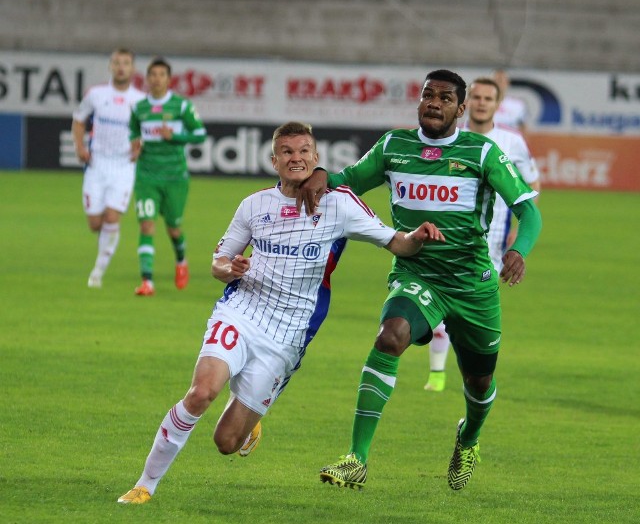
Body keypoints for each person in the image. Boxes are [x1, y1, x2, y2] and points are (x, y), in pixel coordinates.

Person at [117, 122, 445, 504]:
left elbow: (395, 243)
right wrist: (230, 268)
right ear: (274, 161)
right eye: (287, 152)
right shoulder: (254, 205)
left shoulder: (340, 205)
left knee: (226, 442)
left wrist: (416, 238)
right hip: (241, 311)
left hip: (288, 332)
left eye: (304, 151)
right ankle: (145, 484)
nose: (296, 158)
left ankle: (249, 423)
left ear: (316, 158)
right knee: (201, 392)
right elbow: (218, 262)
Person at [296, 70, 542, 491]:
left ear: (460, 109)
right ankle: (356, 458)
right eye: (428, 94)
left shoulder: (481, 153)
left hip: (471, 283)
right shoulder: (395, 145)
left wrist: (519, 251)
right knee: (390, 336)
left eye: (445, 97)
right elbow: (350, 180)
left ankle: (468, 439)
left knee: (478, 383)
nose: (434, 102)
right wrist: (322, 174)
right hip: (416, 273)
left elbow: (529, 211)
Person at [424, 77, 541, 392]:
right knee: (441, 303)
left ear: (497, 104)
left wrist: (521, 229)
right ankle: (437, 373)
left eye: (488, 98)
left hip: (494, 242)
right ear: (466, 102)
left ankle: (472, 378)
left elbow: (531, 184)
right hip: (452, 238)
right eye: (476, 97)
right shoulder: (452, 139)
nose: (481, 103)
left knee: (469, 318)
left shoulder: (512, 141)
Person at [129, 57, 206, 296]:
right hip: (147, 175)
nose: (156, 79)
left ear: (168, 79)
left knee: (173, 228)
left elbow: (200, 134)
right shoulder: (138, 108)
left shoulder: (181, 106)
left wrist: (175, 137)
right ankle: (147, 281)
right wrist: (134, 142)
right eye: (152, 74)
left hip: (175, 177)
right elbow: (133, 130)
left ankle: (181, 261)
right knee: (147, 224)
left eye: (161, 75)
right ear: (147, 78)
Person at [72, 48, 146, 288]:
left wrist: (140, 146)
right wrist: (79, 146)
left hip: (124, 166)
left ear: (133, 68)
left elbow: (148, 129)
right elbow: (79, 119)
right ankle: (103, 250)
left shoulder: (139, 101)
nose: (121, 67)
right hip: (97, 163)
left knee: (112, 217)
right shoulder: (96, 94)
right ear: (110, 66)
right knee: (95, 223)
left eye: (126, 63)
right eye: (116, 63)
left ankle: (98, 272)